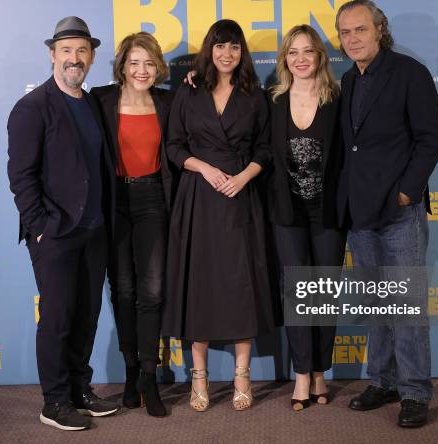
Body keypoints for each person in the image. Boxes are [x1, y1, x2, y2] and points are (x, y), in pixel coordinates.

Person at [335, 1, 438, 428]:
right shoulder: (347, 80)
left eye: (360, 29)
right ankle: (383, 380)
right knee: (376, 304)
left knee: (407, 306)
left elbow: (430, 140)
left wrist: (405, 193)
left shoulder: (409, 73)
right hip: (360, 214)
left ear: (380, 29)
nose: (353, 39)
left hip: (399, 213)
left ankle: (415, 391)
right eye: (345, 33)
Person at [7, 16, 119, 431]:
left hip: (93, 231)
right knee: (57, 318)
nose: (75, 58)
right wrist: (40, 225)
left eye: (82, 50)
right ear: (53, 55)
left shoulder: (90, 103)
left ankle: (79, 391)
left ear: (91, 56)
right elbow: (21, 176)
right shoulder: (32, 106)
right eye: (67, 50)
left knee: (87, 314)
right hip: (54, 234)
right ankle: (53, 402)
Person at [162, 19, 276, 412]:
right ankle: (199, 377)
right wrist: (204, 168)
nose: (226, 54)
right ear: (209, 49)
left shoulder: (254, 96)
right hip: (199, 198)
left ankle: (242, 375)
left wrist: (243, 177)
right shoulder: (189, 91)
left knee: (240, 282)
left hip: (240, 198)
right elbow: (173, 146)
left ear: (242, 53)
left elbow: (265, 149)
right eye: (220, 46)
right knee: (201, 284)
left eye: (234, 47)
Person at [90, 32, 174, 418]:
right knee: (122, 291)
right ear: (122, 65)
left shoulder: (168, 101)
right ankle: (129, 374)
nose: (142, 70)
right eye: (134, 62)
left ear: (158, 67)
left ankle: (149, 377)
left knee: (152, 291)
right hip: (114, 204)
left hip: (153, 200)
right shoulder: (101, 100)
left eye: (149, 63)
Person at [267, 24, 346, 411]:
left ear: (320, 58)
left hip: (329, 212)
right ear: (285, 59)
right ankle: (301, 374)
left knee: (324, 294)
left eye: (308, 52)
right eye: (293, 52)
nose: (300, 59)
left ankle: (320, 372)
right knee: (297, 293)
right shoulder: (273, 101)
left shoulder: (338, 99)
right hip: (287, 213)